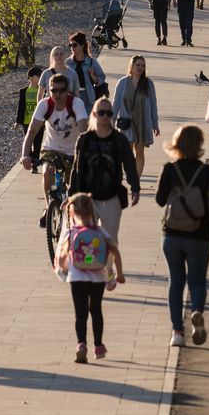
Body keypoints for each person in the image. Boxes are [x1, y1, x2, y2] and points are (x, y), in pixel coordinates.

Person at [156, 124, 209, 347]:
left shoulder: (169, 169)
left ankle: (177, 332)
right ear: (199, 145)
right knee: (197, 281)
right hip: (200, 235)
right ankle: (196, 311)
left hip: (172, 236)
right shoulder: (208, 172)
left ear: (176, 144)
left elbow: (159, 200)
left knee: (175, 283)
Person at [69, 97, 141, 288]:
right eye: (101, 112)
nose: (105, 116)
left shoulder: (119, 139)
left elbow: (130, 164)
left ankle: (108, 271)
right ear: (94, 114)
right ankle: (91, 272)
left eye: (109, 113)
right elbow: (76, 170)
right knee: (87, 237)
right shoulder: (84, 139)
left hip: (111, 197)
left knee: (110, 238)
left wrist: (135, 188)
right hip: (87, 199)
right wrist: (71, 196)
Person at [55, 193, 125, 363]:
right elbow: (114, 250)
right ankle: (99, 346)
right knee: (96, 310)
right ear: (92, 211)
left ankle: (81, 345)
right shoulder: (100, 231)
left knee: (80, 313)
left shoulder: (70, 233)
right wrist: (119, 273)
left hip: (77, 278)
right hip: (98, 279)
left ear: (72, 213)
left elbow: (63, 257)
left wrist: (63, 269)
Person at [21, 73, 89, 227]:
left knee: (76, 186)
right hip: (51, 148)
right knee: (47, 172)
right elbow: (32, 131)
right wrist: (25, 155)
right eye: (53, 90)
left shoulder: (76, 103)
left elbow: (84, 128)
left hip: (74, 150)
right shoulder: (45, 104)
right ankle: (48, 206)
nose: (57, 94)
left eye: (61, 90)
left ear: (68, 90)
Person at [112, 55, 160, 179]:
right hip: (127, 122)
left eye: (143, 66)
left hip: (142, 122)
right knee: (127, 152)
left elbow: (153, 104)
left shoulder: (148, 83)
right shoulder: (122, 82)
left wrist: (155, 124)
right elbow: (116, 103)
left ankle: (136, 179)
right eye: (138, 65)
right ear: (131, 66)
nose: (140, 68)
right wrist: (110, 123)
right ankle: (130, 171)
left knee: (140, 151)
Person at [66, 31, 106, 108]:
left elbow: (101, 78)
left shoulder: (91, 62)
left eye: (74, 45)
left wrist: (92, 75)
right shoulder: (68, 63)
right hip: (72, 96)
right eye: (70, 45)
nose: (72, 48)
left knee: (88, 119)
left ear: (82, 46)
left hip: (88, 97)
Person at [14, 66, 43, 170]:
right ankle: (29, 159)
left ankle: (35, 162)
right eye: (38, 75)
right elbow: (21, 107)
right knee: (28, 141)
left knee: (38, 143)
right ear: (30, 78)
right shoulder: (24, 91)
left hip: (40, 122)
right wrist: (17, 121)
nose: (40, 77)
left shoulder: (43, 91)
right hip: (27, 121)